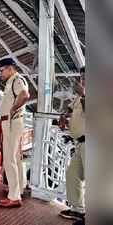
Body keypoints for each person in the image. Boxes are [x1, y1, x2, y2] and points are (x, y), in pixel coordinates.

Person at [0, 58, 30, 208]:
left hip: (11, 122)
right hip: (12, 122)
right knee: (15, 158)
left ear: (10, 68)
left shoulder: (17, 80)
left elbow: (24, 95)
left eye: (1, 70)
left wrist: (12, 109)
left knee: (9, 159)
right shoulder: (12, 81)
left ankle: (14, 197)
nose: (0, 73)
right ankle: (18, 189)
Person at [59, 67, 86, 223]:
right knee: (72, 174)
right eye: (81, 76)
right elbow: (71, 108)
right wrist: (64, 116)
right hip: (80, 143)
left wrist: (83, 93)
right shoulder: (80, 95)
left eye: (84, 76)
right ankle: (78, 210)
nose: (82, 79)